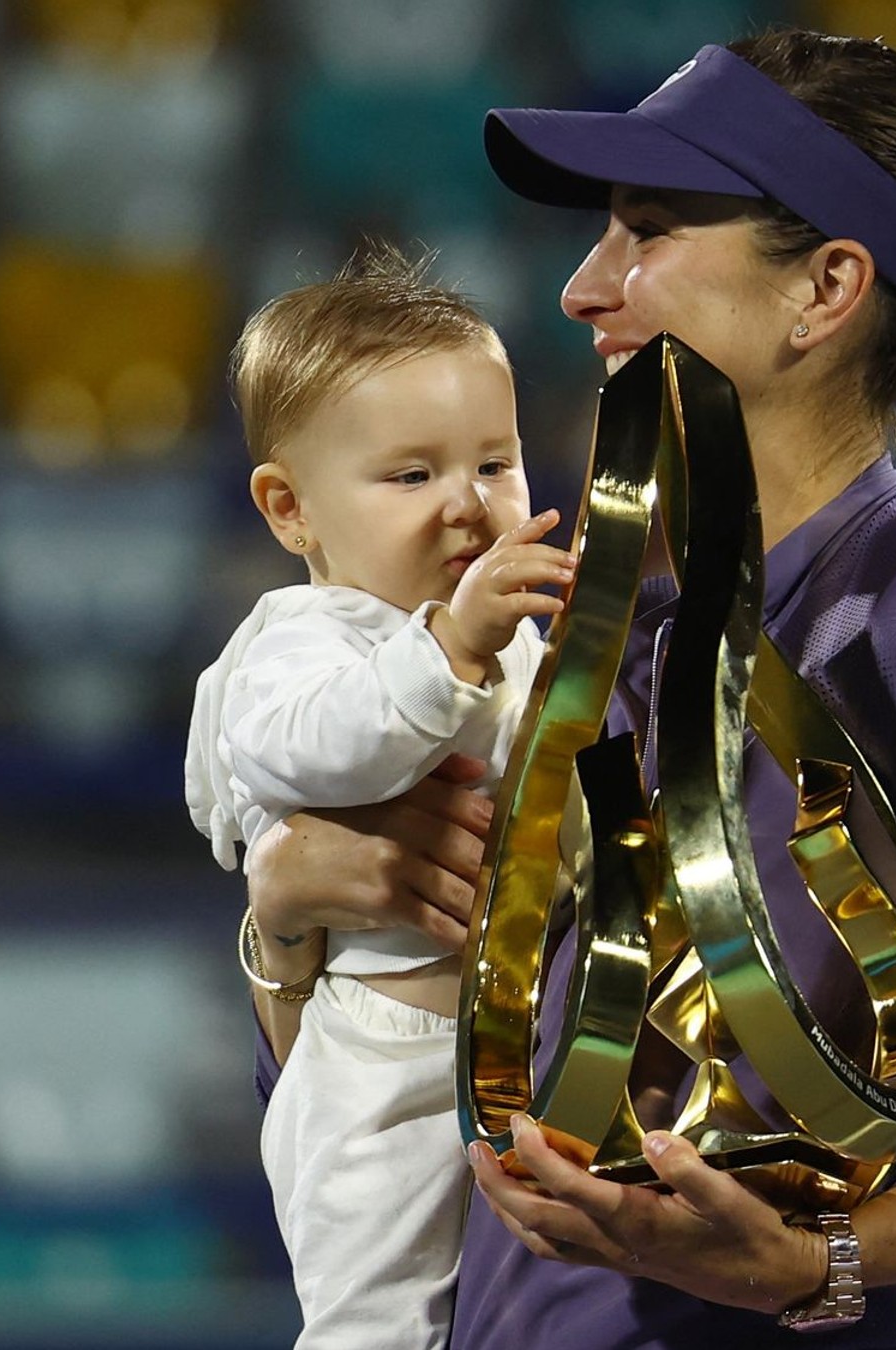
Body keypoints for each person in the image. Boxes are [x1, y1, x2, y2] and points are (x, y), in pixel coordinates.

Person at [242, 31, 896, 1346]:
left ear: (823, 289)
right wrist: (290, 932)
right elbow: (399, 1133)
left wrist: (824, 1255)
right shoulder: (596, 625)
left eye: (647, 232)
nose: (587, 288)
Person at [186, 247, 577, 1348]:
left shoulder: (504, 637)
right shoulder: (296, 644)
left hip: (516, 1051)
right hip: (380, 1058)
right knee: (378, 1328)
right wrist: (454, 645)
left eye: (496, 465)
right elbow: (324, 757)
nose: (469, 506)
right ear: (289, 509)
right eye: (411, 477)